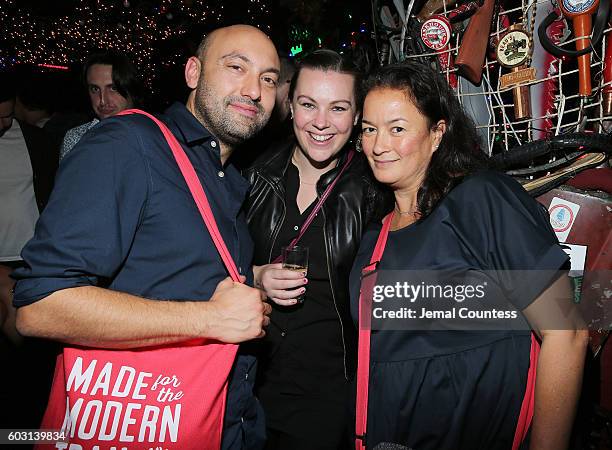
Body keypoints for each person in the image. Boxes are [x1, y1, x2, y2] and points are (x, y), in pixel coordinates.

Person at [13, 24, 279, 449]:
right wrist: (210, 319)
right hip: (145, 422)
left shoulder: (228, 178)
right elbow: (41, 306)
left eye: (268, 78)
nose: (253, 90)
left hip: (221, 420)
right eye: (235, 67)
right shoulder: (128, 143)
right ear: (193, 73)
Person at [350, 60, 589, 449]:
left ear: (437, 133)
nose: (378, 145)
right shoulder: (372, 240)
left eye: (397, 129)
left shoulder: (481, 201)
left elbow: (567, 332)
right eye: (369, 130)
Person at [243, 49, 392, 449]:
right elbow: (203, 267)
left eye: (338, 107)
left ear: (358, 115)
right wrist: (252, 276)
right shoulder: (250, 176)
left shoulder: (377, 191)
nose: (321, 123)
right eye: (309, 104)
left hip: (327, 400)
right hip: (244, 389)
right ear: (290, 105)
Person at [0, 73, 60, 428]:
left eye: (7, 116)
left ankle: (23, 432)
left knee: (29, 361)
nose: (3, 124)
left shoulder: (35, 142)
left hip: (25, 261)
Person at [60, 50, 144, 159]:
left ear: (131, 89)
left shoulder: (153, 135)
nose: (102, 100)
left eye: (113, 88)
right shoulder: (76, 138)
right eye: (95, 89)